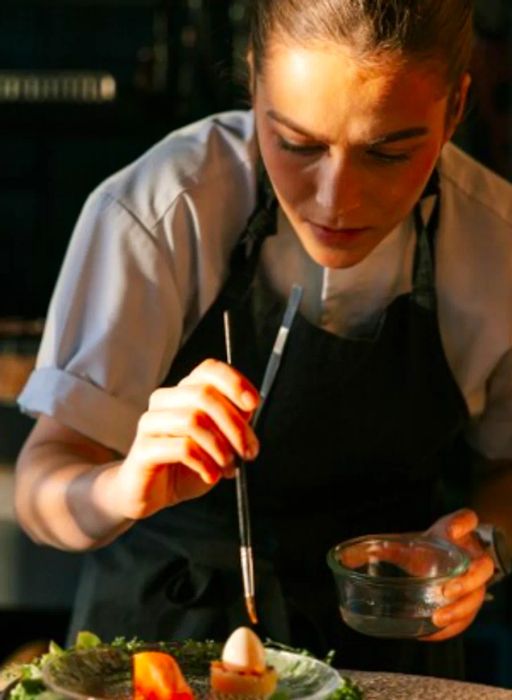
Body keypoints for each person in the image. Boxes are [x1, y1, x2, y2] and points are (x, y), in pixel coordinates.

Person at [14, 0, 512, 680]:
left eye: (389, 152)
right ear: (254, 83)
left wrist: (480, 545)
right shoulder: (161, 210)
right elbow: (42, 490)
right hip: (162, 646)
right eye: (299, 144)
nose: (338, 201)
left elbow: (504, 470)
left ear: (456, 109)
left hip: (386, 654)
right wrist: (122, 488)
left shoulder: (495, 242)